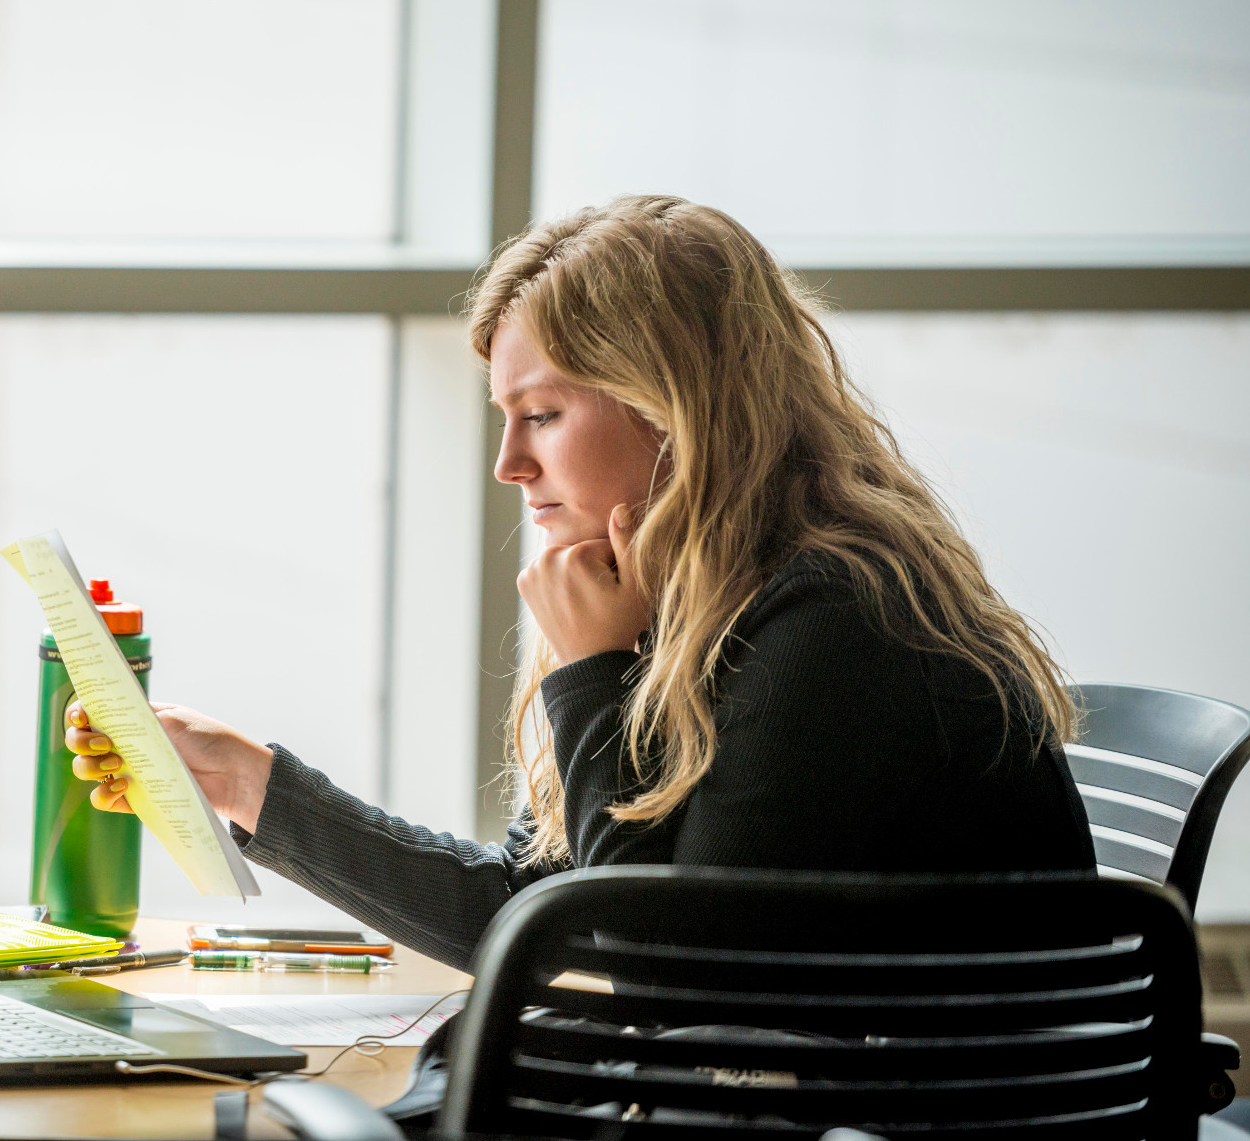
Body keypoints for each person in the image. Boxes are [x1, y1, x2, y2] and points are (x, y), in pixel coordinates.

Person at [66, 195, 1095, 972]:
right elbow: (530, 907)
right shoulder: (682, 599)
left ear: (675, 407)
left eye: (543, 414)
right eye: (501, 418)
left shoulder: (833, 625)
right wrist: (248, 782)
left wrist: (591, 674)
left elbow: (650, 972)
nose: (508, 464)